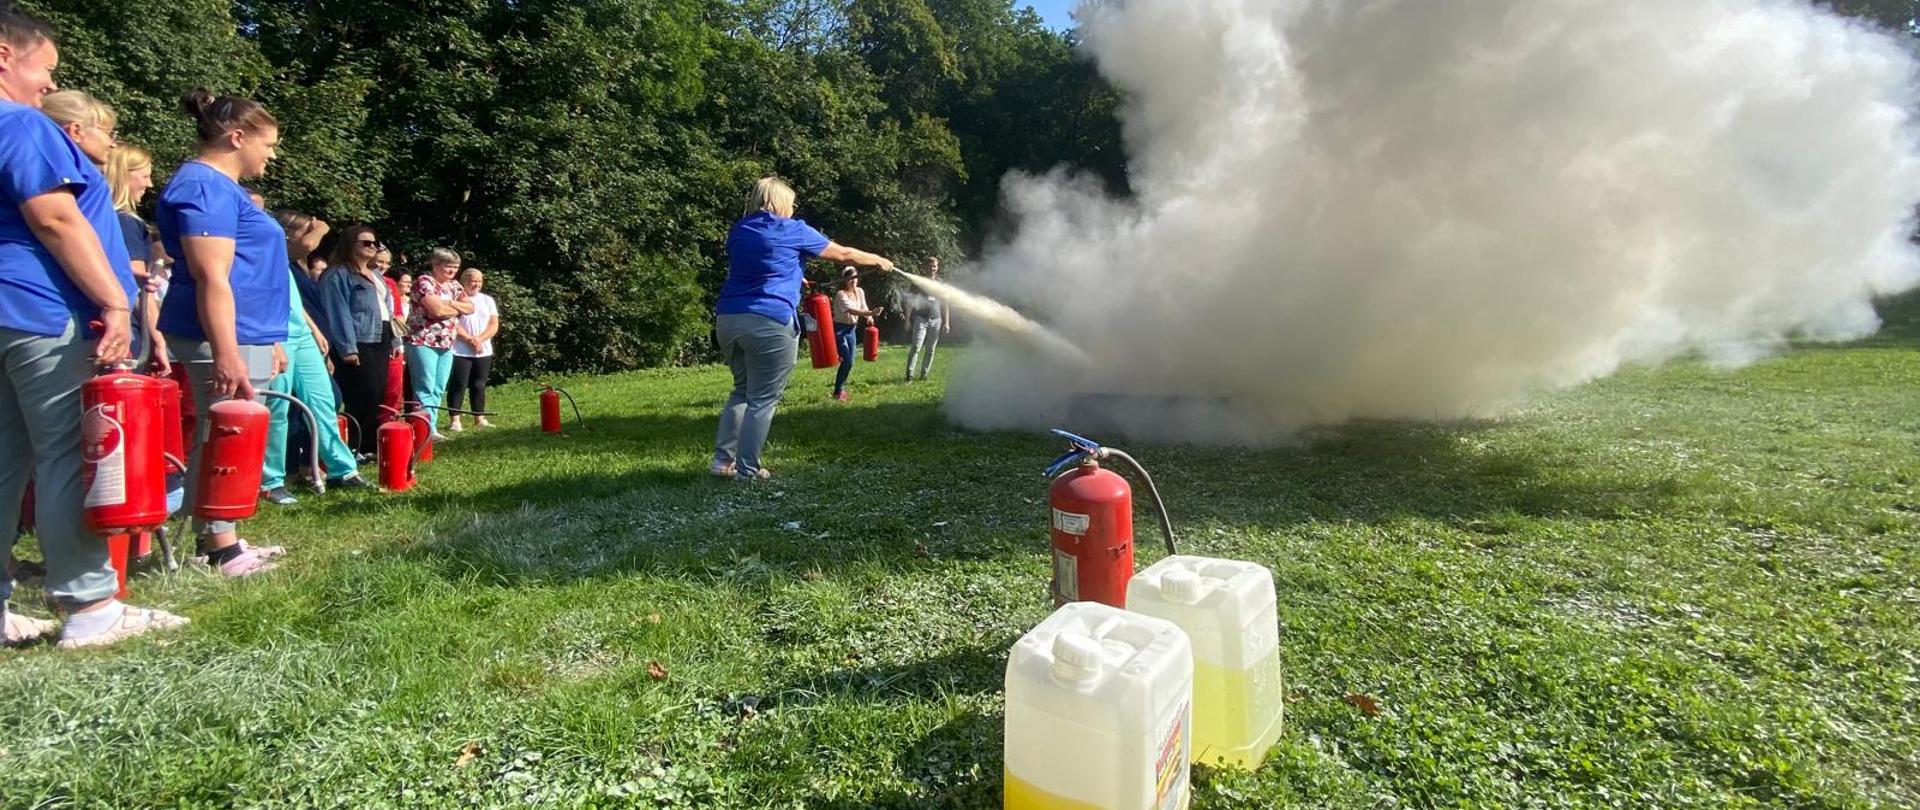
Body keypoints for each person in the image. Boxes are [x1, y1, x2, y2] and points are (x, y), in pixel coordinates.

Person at [0, 9, 187, 647]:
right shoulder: (21, 123)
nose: (47, 88)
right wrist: (115, 300)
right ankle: (88, 606)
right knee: (64, 454)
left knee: (4, 463)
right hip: (38, 311)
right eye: (44, 70)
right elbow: (54, 218)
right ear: (5, 56)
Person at [155, 89, 289, 577]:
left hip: (245, 332)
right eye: (268, 144)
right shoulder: (204, 186)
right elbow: (212, 275)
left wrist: (269, 337)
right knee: (225, 432)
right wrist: (229, 352)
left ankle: (216, 536)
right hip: (220, 335)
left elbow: (249, 270)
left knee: (231, 432)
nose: (271, 155)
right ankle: (222, 549)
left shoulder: (220, 188)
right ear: (237, 138)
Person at [711, 177, 894, 481]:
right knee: (763, 398)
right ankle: (748, 470)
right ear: (781, 202)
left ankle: (722, 462)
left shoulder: (740, 231)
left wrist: (796, 278)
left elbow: (762, 266)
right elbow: (844, 254)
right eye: (791, 203)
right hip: (769, 321)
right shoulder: (793, 229)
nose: (793, 209)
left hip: (729, 318)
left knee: (741, 391)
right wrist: (878, 260)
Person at [259, 210, 365, 504]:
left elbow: (293, 298)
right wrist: (321, 226)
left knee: (324, 399)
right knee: (278, 406)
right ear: (288, 234)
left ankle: (341, 470)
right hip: (274, 334)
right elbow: (310, 241)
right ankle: (271, 481)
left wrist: (313, 328)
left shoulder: (290, 263)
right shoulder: (266, 247)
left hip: (301, 335)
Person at [315, 225, 396, 455]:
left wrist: (393, 341)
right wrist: (347, 348)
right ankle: (353, 446)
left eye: (374, 243)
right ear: (350, 244)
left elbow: (386, 309)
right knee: (361, 392)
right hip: (357, 339)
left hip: (380, 336)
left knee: (377, 392)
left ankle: (369, 446)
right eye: (366, 243)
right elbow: (337, 311)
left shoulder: (375, 274)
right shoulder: (337, 274)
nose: (373, 247)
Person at [101, 142, 166, 372]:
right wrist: (158, 339)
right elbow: (137, 286)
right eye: (145, 176)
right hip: (127, 330)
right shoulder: (127, 223)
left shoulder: (101, 220)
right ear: (124, 175)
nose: (149, 184)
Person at [406, 248, 472, 439]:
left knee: (438, 387)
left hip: (446, 343)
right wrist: (455, 308)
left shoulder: (454, 285)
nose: (452, 270)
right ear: (435, 265)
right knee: (424, 386)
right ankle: (424, 429)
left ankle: (430, 426)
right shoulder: (424, 282)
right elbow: (436, 311)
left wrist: (448, 304)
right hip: (423, 340)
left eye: (455, 267)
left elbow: (470, 307)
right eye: (447, 266)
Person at [447, 266, 497, 431]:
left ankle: (479, 418)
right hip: (460, 349)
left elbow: (493, 323)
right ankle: (455, 420)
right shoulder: (456, 298)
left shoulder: (487, 300)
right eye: (473, 281)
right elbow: (453, 323)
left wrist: (480, 340)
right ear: (464, 282)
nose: (477, 284)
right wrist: (470, 339)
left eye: (480, 281)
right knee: (459, 384)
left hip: (483, 349)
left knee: (479, 384)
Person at [830, 266, 882, 402]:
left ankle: (839, 389)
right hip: (839, 329)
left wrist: (869, 317)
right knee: (846, 360)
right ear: (845, 280)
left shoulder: (859, 291)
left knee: (850, 362)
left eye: (855, 278)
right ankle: (838, 391)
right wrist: (870, 313)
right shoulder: (841, 294)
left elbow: (863, 307)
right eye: (850, 279)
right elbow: (852, 311)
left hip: (852, 329)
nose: (854, 281)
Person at [902, 255, 949, 382]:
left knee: (931, 349)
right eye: (929, 266)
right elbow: (910, 301)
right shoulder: (918, 282)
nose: (932, 269)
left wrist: (946, 322)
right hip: (920, 319)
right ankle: (909, 375)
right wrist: (907, 320)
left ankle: (924, 375)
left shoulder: (941, 283)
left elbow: (945, 303)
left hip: (936, 320)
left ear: (937, 267)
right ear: (925, 267)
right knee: (916, 347)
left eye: (934, 266)